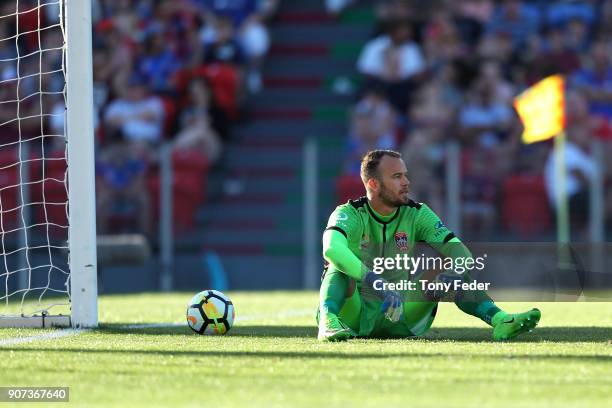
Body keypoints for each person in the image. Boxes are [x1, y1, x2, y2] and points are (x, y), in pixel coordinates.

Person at [317, 150, 541, 341]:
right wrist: (377, 283)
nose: (406, 182)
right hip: (354, 314)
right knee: (337, 266)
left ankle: (501, 319)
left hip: (402, 312)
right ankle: (328, 322)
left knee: (448, 270)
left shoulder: (417, 213)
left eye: (405, 175)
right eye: (397, 177)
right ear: (374, 184)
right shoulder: (349, 213)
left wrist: (456, 272)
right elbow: (331, 249)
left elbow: (460, 251)